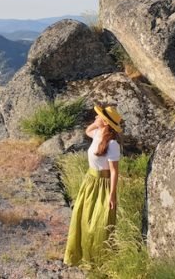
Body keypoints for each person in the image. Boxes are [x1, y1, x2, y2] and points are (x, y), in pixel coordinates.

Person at [63, 105, 123, 267]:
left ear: (104, 122)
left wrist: (112, 194)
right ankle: (80, 254)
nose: (95, 118)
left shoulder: (112, 144)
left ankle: (98, 260)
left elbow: (114, 172)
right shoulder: (97, 134)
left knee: (98, 222)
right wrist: (98, 124)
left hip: (102, 185)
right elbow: (87, 131)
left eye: (98, 117)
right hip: (89, 181)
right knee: (81, 216)